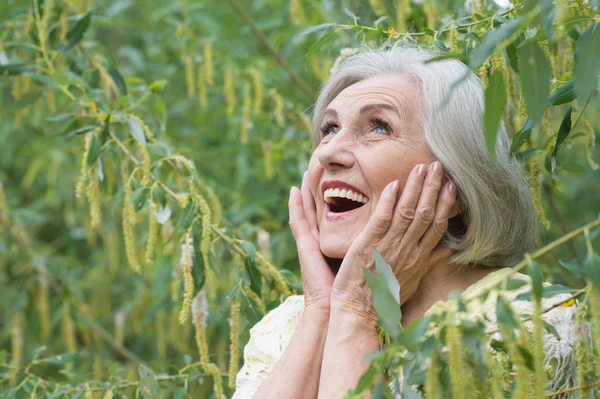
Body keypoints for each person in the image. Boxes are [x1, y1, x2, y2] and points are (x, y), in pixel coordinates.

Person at [231, 45, 578, 398]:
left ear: (454, 183)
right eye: (330, 128)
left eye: (378, 127)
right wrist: (322, 307)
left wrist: (358, 312)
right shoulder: (285, 326)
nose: (328, 152)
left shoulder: (532, 324)